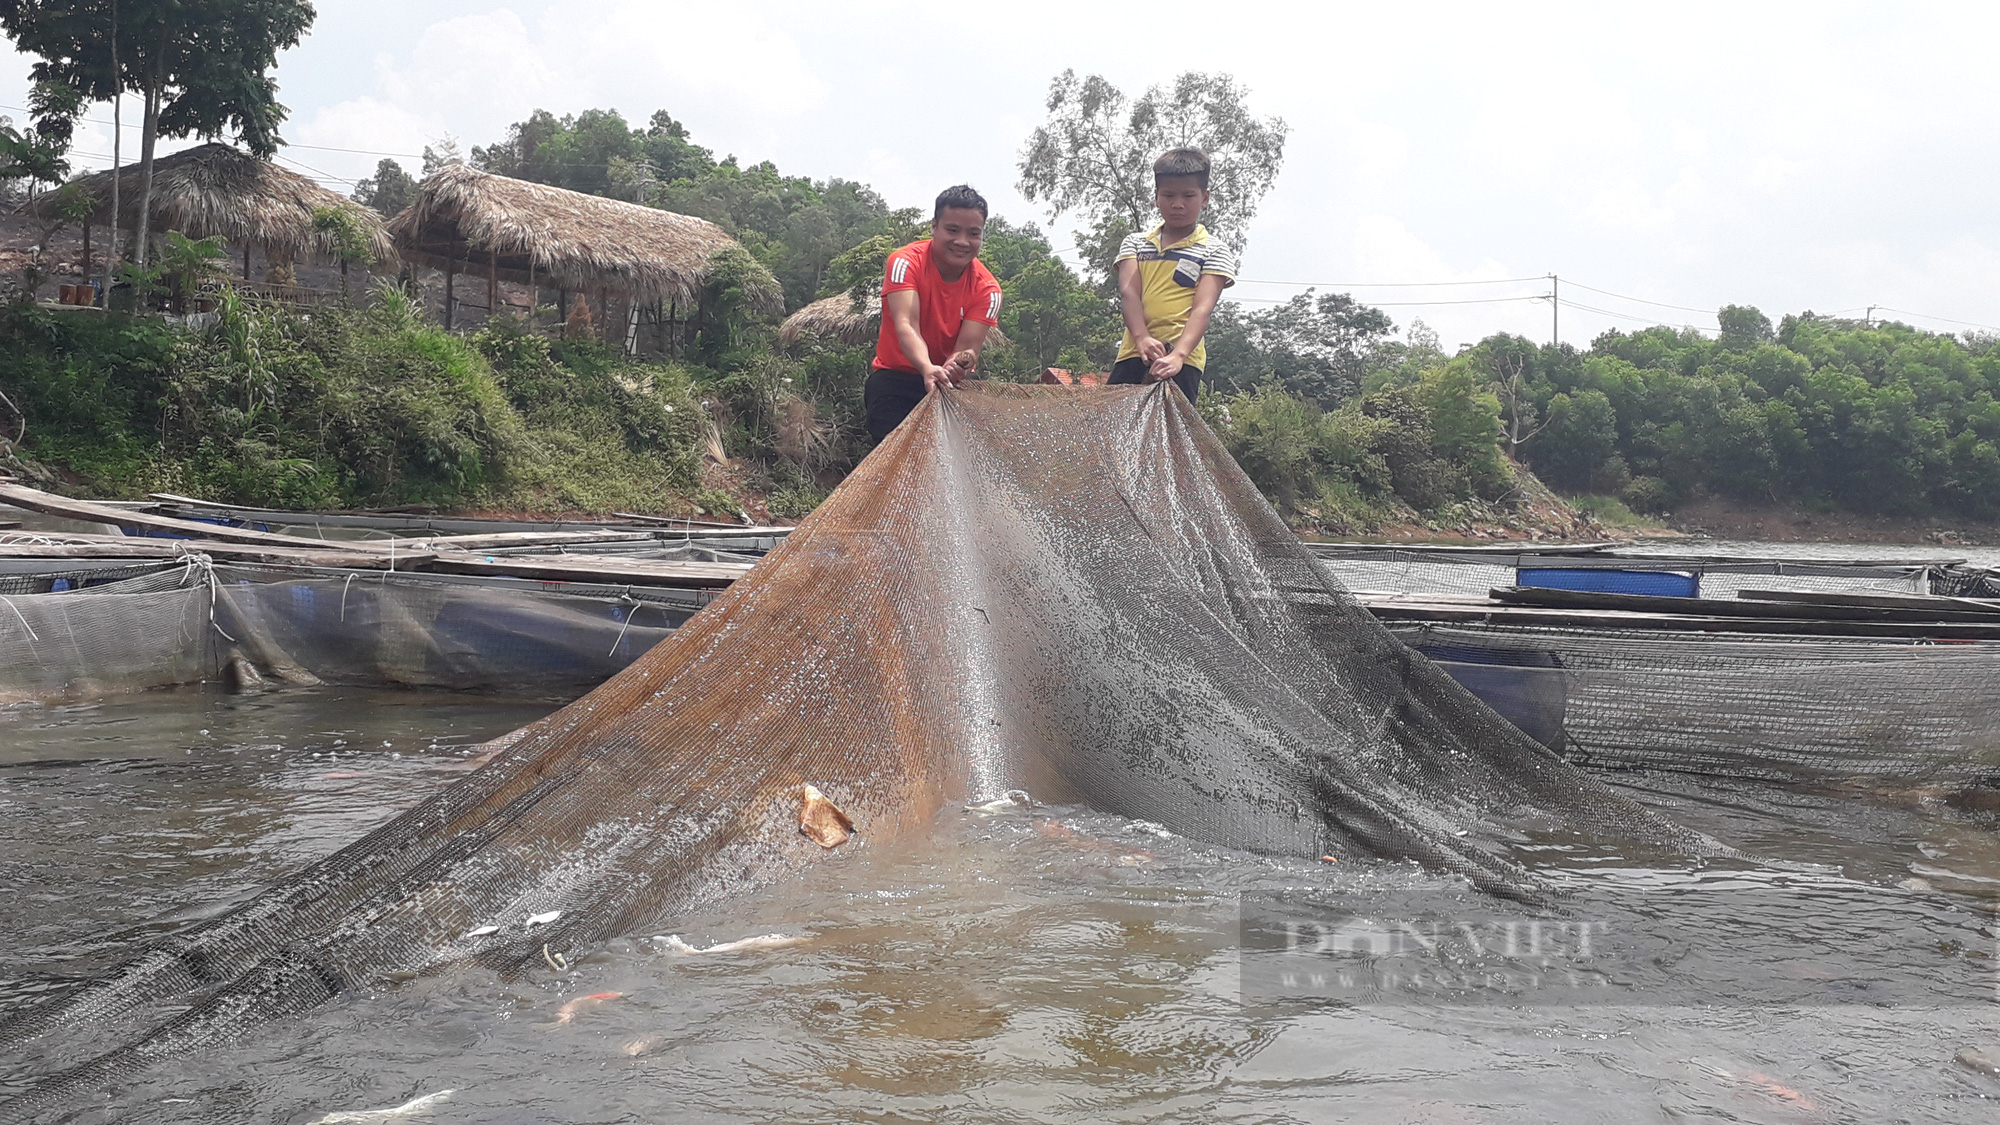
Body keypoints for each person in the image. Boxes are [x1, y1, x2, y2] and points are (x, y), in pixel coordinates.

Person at [865, 185, 1004, 444]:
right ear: (934, 227)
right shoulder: (905, 262)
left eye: (974, 233)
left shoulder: (989, 290)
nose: (962, 242)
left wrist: (958, 363)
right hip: (895, 380)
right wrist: (926, 367)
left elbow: (969, 349)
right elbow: (906, 324)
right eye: (952, 230)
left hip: (945, 387)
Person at [1111, 148, 1239, 401]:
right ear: (1156, 197)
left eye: (1188, 195)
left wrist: (1178, 355)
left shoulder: (1214, 250)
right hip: (1133, 353)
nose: (1177, 204)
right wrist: (1142, 338)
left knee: (1172, 434)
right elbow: (1129, 293)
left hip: (1182, 361)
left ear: (1204, 198)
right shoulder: (1135, 244)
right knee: (1109, 430)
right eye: (1168, 195)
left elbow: (1202, 309)